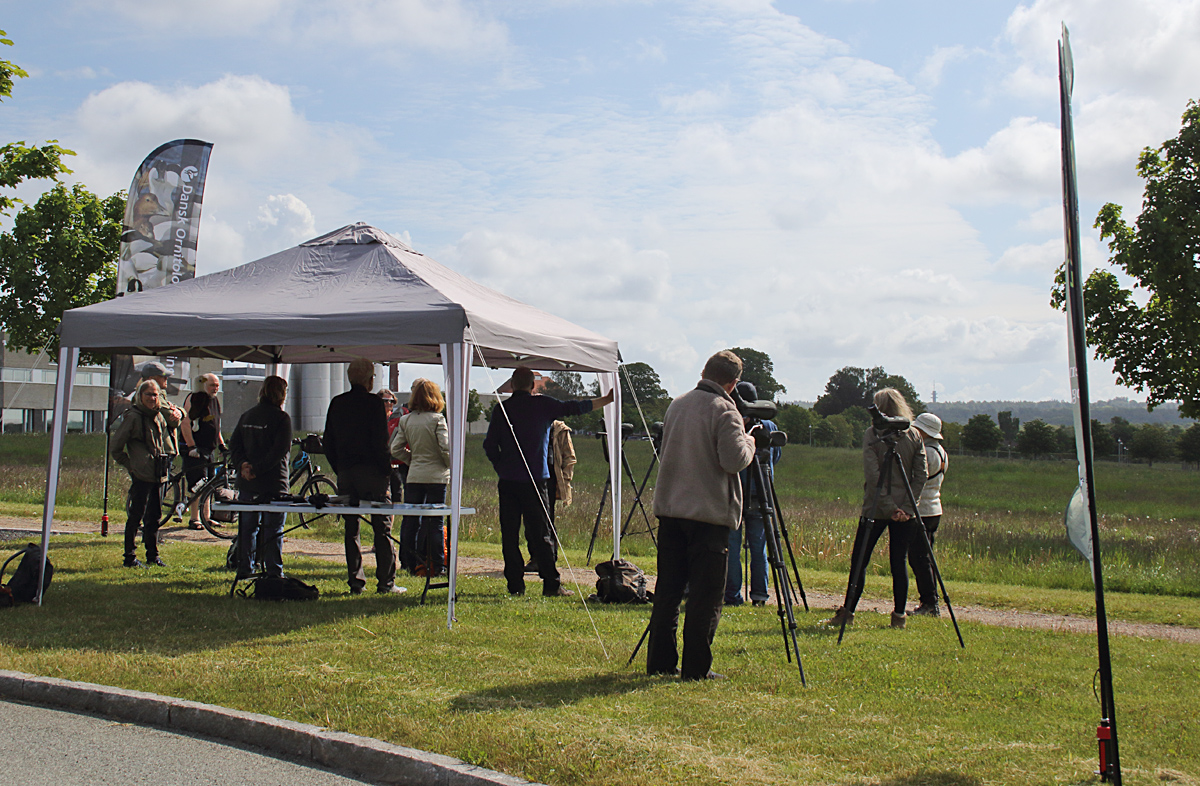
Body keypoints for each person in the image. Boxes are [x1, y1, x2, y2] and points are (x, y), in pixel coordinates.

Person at [647, 350, 756, 681]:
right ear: (732, 383)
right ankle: (696, 668)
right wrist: (750, 441)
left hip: (672, 511)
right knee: (705, 597)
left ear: (704, 372)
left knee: (668, 592)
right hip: (707, 517)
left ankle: (661, 662)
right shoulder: (726, 410)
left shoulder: (677, 404)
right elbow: (733, 460)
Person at [482, 366, 613, 597]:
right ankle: (551, 584)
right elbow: (573, 407)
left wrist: (501, 466)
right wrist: (606, 400)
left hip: (509, 481)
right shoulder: (542, 404)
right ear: (533, 386)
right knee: (542, 533)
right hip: (536, 480)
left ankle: (515, 586)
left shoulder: (502, 409)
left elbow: (490, 446)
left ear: (512, 385)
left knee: (509, 534)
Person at [826, 388, 928, 630]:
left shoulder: (873, 434)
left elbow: (873, 477)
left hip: (875, 507)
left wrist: (889, 507)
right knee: (898, 562)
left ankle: (848, 611)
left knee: (860, 560)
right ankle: (899, 615)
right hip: (907, 510)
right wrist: (906, 507)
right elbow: (921, 475)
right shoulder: (913, 435)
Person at [324, 359, 404, 596]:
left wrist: (340, 468)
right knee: (382, 527)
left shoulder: (337, 403)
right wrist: (385, 470)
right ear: (369, 380)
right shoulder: (373, 405)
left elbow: (328, 441)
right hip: (372, 473)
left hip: (347, 473)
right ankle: (386, 582)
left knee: (352, 527)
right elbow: (381, 441)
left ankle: (356, 581)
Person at [228, 375, 292, 579]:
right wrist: (258, 468)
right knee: (273, 530)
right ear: (282, 394)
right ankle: (274, 570)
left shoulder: (247, 416)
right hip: (274, 482)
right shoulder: (282, 419)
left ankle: (245, 568)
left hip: (248, 482)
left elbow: (234, 445)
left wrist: (243, 466)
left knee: (247, 528)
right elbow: (279, 451)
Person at [725, 381, 781, 608]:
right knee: (759, 547)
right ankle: (760, 595)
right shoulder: (769, 425)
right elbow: (775, 457)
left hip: (737, 493)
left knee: (733, 546)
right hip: (762, 493)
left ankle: (732, 596)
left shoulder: (733, 423)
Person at [389, 378, 451, 576]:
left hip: (414, 475)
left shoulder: (406, 419)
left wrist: (411, 459)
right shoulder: (437, 419)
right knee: (435, 523)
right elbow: (445, 448)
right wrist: (449, 464)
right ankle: (438, 565)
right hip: (436, 476)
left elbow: (395, 448)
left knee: (411, 521)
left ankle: (407, 562)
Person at [109, 379, 171, 568]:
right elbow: (116, 447)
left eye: (156, 394)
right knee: (136, 515)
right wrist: (132, 466)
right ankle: (130, 557)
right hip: (142, 475)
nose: (153, 398)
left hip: (158, 474)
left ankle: (153, 556)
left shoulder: (159, 415)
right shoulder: (134, 417)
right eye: (149, 394)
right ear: (140, 396)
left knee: (155, 516)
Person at [908, 412, 947, 617]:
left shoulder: (928, 453)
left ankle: (929, 602)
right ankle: (929, 601)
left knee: (919, 558)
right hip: (934, 508)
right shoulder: (941, 452)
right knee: (924, 557)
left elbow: (917, 478)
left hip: (922, 510)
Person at [180, 390, 219, 529]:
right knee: (197, 483)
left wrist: (221, 444)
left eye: (217, 385)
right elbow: (185, 422)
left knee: (209, 483)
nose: (215, 388)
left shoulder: (214, 400)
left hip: (209, 449)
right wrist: (191, 446)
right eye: (212, 385)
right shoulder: (193, 398)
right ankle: (194, 518)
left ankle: (206, 517)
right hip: (196, 449)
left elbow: (216, 424)